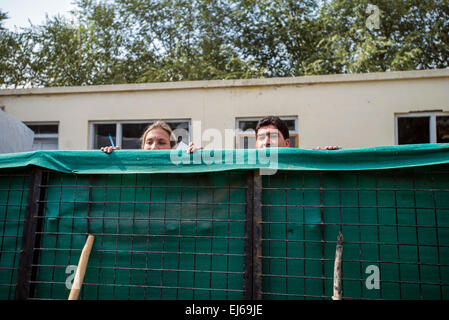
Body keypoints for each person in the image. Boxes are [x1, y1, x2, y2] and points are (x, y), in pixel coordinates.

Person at [101, 120, 201, 153]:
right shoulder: (132, 168)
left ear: (172, 148)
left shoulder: (182, 168)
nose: (153, 147)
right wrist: (113, 161)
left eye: (161, 143)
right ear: (142, 147)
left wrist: (199, 159)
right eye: (149, 142)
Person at [255, 116, 341, 150]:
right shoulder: (244, 170)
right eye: (261, 137)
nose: (266, 142)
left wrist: (328, 161)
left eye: (273, 136)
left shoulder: (304, 167)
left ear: (287, 143)